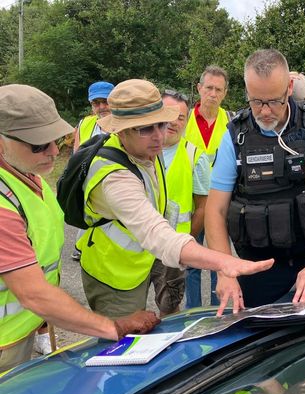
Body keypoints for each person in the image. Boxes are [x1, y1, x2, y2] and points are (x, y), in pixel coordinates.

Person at [78, 79, 273, 319]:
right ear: (121, 130)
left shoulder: (146, 151)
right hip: (113, 275)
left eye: (160, 124)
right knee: (122, 348)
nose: (159, 135)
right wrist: (223, 262)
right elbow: (155, 233)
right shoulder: (114, 177)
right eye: (145, 128)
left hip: (139, 265)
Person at [0, 84, 160, 373]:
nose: (53, 151)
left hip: (24, 329)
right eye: (38, 145)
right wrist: (113, 325)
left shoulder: (25, 173)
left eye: (56, 140)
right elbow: (33, 293)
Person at [205, 49, 305, 314]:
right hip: (256, 271)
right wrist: (224, 270)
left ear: (289, 88)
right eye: (256, 101)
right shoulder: (234, 135)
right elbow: (215, 209)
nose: (264, 111)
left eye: (274, 101)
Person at [148, 90, 210, 317]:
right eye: (168, 113)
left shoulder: (195, 157)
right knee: (130, 314)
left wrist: (184, 242)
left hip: (170, 253)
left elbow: (203, 207)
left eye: (180, 117)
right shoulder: (134, 151)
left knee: (169, 310)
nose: (173, 122)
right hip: (135, 250)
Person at [184, 65, 233, 308]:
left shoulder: (231, 122)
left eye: (218, 89)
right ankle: (192, 312)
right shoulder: (182, 121)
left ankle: (218, 312)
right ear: (199, 89)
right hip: (191, 203)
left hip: (221, 205)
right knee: (192, 264)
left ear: (224, 93)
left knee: (220, 262)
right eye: (209, 88)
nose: (213, 94)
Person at [71, 81, 114, 262]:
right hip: (88, 180)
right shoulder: (85, 124)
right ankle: (82, 246)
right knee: (87, 215)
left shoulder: (124, 125)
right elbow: (76, 153)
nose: (102, 107)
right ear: (91, 105)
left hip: (112, 180)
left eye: (105, 101)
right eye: (96, 103)